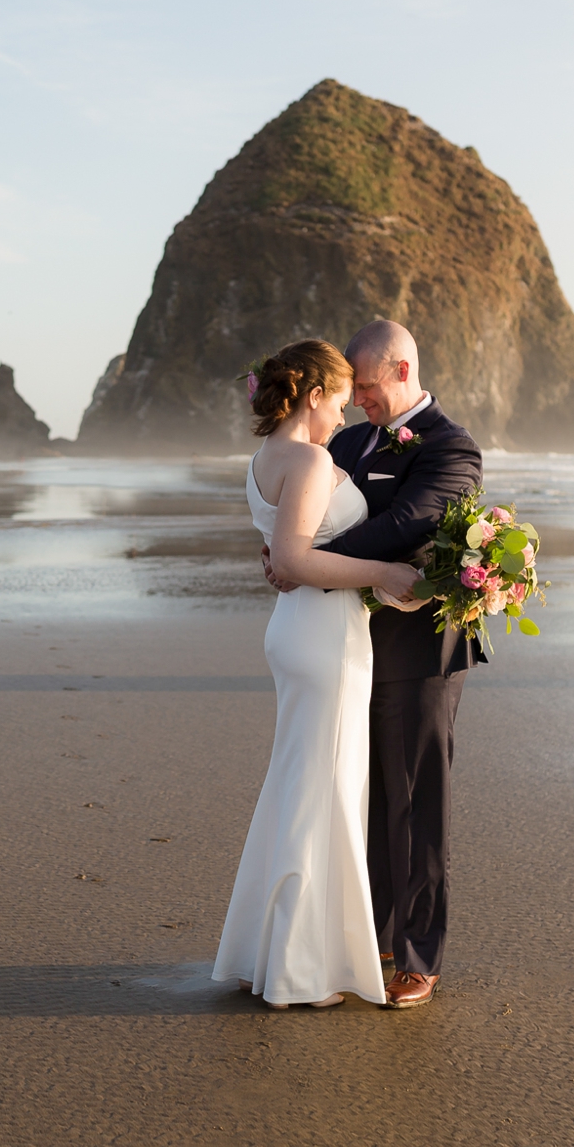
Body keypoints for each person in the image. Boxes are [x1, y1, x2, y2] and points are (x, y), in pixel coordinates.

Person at [263, 319, 484, 1009]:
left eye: (365, 386)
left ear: (401, 371)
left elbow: (405, 524)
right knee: (363, 800)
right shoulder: (351, 440)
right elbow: (306, 510)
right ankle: (373, 941)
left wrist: (301, 564)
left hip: (419, 653)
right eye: (349, 389)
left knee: (415, 805)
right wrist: (289, 550)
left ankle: (418, 956)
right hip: (345, 648)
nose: (357, 400)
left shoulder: (452, 448)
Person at [211, 340, 423, 1009]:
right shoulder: (307, 457)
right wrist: (385, 574)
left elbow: (281, 546)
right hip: (323, 634)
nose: (341, 415)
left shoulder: (263, 460)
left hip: (299, 631)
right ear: (311, 397)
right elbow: (297, 558)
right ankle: (300, 970)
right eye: (337, 401)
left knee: (298, 785)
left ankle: (266, 953)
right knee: (323, 789)